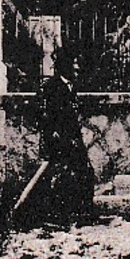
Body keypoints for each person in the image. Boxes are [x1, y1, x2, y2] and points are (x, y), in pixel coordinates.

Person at [15, 48, 94, 227]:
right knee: (65, 178)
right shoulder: (51, 87)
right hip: (60, 141)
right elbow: (41, 113)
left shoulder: (70, 86)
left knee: (83, 175)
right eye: (73, 63)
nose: (77, 67)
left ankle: (82, 216)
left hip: (72, 140)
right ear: (65, 66)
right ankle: (59, 217)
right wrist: (53, 134)